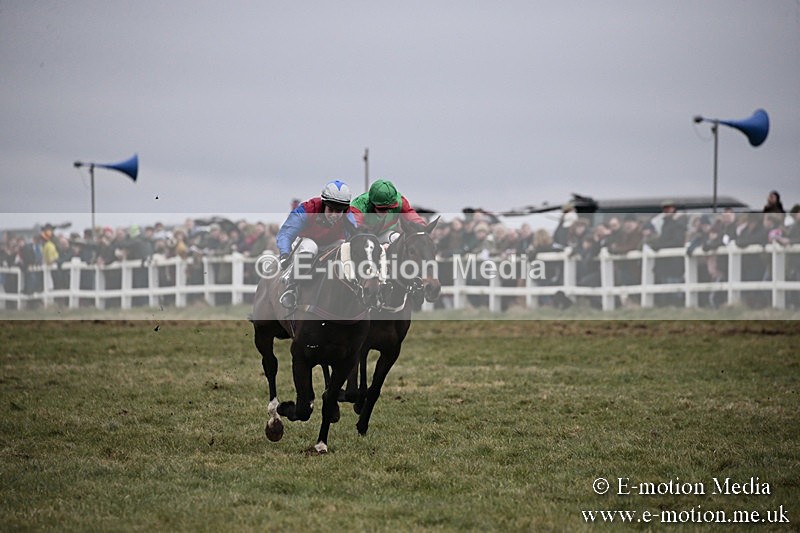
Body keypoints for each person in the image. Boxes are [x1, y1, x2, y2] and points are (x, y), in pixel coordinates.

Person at [275, 180, 355, 309]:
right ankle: (291, 288)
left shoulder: (348, 215)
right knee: (311, 247)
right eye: (331, 210)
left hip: (331, 243)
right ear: (324, 204)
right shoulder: (308, 209)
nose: (334, 215)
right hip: (305, 241)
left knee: (343, 246)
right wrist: (284, 254)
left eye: (339, 211)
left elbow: (355, 237)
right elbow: (286, 233)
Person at [349, 179, 427, 244]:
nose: (386, 212)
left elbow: (412, 216)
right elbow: (357, 231)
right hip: (364, 236)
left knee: (397, 238)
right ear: (372, 203)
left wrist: (423, 227)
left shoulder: (401, 201)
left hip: (384, 234)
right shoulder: (358, 206)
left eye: (389, 208)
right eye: (382, 209)